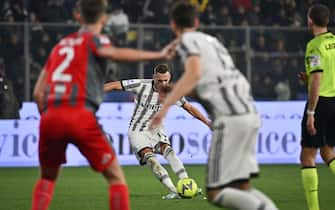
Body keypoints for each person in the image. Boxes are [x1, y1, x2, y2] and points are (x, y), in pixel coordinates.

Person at [31, 0, 176, 210]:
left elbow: (38, 92)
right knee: (116, 177)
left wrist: (48, 116)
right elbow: (115, 54)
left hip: (50, 116)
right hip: (80, 113)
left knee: (47, 179)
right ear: (104, 18)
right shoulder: (95, 39)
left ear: (77, 16)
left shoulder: (60, 46)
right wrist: (158, 55)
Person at [150, 1, 278, 210]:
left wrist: (164, 108)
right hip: (248, 112)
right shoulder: (212, 42)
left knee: (215, 192)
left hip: (230, 118)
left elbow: (193, 74)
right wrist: (175, 87)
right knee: (241, 186)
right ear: (197, 22)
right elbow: (206, 81)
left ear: (173, 25)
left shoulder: (188, 41)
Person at [104, 63, 211, 199]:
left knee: (170, 152)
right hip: (138, 130)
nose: (163, 83)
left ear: (169, 78)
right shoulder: (141, 84)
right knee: (151, 159)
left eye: (166, 80)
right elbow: (114, 85)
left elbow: (189, 108)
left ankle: (186, 184)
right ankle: (174, 191)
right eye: (159, 80)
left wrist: (207, 122)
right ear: (154, 77)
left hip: (156, 129)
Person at [300, 4, 335, 210]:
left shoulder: (315, 46)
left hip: (321, 102)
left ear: (310, 20)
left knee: (307, 155)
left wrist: (311, 112)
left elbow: (317, 80)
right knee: (328, 152)